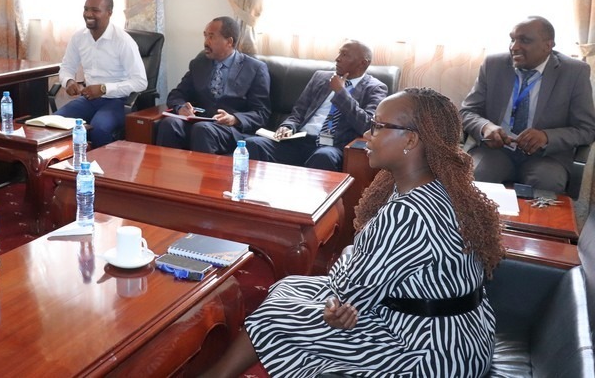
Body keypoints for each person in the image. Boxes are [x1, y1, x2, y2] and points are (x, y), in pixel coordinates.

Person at [204, 88, 503, 377]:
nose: (368, 136)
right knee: (291, 286)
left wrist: (348, 265)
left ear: (410, 139)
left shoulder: (407, 213)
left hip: (427, 352)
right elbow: (358, 281)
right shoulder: (439, 189)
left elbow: (349, 290)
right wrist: (348, 279)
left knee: (275, 317)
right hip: (459, 332)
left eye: (378, 127)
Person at [460, 16, 595, 193]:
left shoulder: (574, 72)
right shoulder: (494, 64)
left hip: (547, 157)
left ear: (548, 45)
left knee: (547, 185)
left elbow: (587, 129)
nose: (514, 47)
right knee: (476, 177)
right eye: (512, 39)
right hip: (496, 150)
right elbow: (467, 111)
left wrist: (546, 137)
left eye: (524, 40)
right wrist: (485, 127)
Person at [243, 40, 387, 170]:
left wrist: (341, 93)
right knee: (253, 144)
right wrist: (287, 127)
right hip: (298, 140)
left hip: (331, 146)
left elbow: (367, 125)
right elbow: (298, 113)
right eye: (339, 53)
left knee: (323, 157)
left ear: (364, 63)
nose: (337, 59)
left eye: (345, 55)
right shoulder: (321, 77)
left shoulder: (375, 88)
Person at [156, 16, 270, 154]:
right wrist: (181, 108)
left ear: (229, 42)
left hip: (230, 130)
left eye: (211, 37)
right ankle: (167, 175)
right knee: (169, 124)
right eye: (205, 36)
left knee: (203, 129)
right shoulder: (199, 63)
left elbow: (261, 113)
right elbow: (176, 94)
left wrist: (235, 119)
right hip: (199, 122)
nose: (206, 42)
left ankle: (208, 176)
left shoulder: (255, 68)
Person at [55, 0, 147, 148]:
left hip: (118, 101)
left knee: (99, 129)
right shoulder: (79, 37)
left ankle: (101, 171)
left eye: (95, 10)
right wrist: (68, 81)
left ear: (109, 13)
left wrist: (104, 89)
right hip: (89, 99)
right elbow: (66, 67)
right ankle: (65, 169)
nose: (88, 14)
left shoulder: (123, 41)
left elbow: (141, 82)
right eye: (86, 9)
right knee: (55, 123)